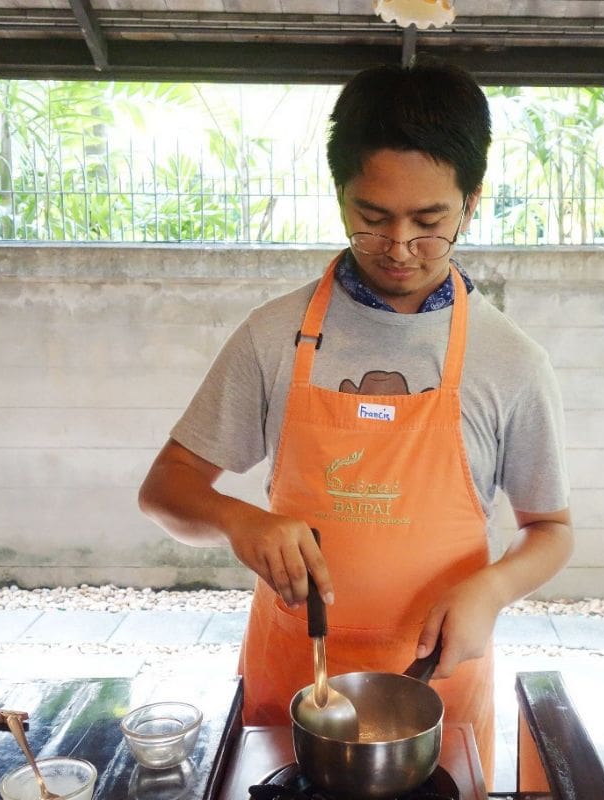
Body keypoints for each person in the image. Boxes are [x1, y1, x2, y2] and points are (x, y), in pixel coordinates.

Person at [138, 58, 573, 786]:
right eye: (372, 218)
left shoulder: (511, 361)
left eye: (429, 222)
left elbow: (550, 529)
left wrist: (493, 588)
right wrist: (239, 522)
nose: (399, 246)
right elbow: (165, 490)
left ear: (471, 201)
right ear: (340, 193)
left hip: (437, 699)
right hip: (296, 687)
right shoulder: (273, 336)